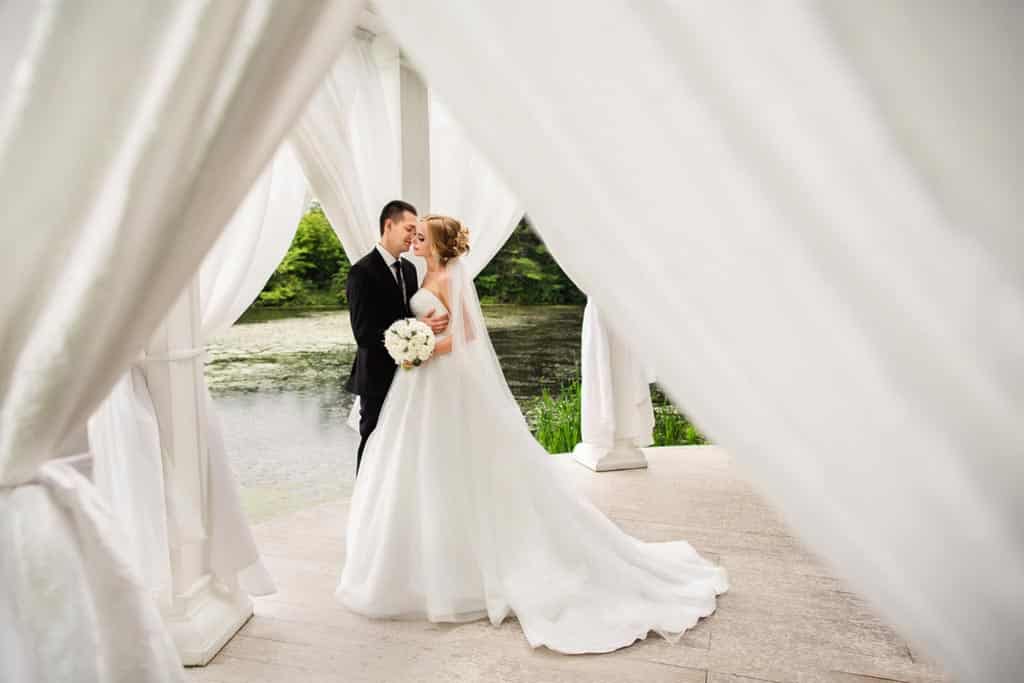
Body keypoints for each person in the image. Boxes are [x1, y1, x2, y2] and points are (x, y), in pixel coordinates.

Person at [337, 214, 728, 654]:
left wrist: (424, 346)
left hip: (438, 378)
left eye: (422, 235)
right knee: (422, 468)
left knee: (453, 462)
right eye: (413, 233)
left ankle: (465, 567)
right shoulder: (416, 272)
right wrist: (415, 341)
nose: (415, 239)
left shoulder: (446, 277)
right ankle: (422, 559)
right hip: (418, 383)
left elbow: (464, 335)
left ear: (439, 245)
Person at [344, 200, 448, 474]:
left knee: (403, 444)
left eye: (417, 232)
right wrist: (416, 326)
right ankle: (364, 505)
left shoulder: (411, 270)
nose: (413, 237)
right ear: (388, 225)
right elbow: (363, 333)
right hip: (376, 376)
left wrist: (418, 335)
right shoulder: (361, 272)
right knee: (372, 440)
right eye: (409, 229)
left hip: (409, 374)